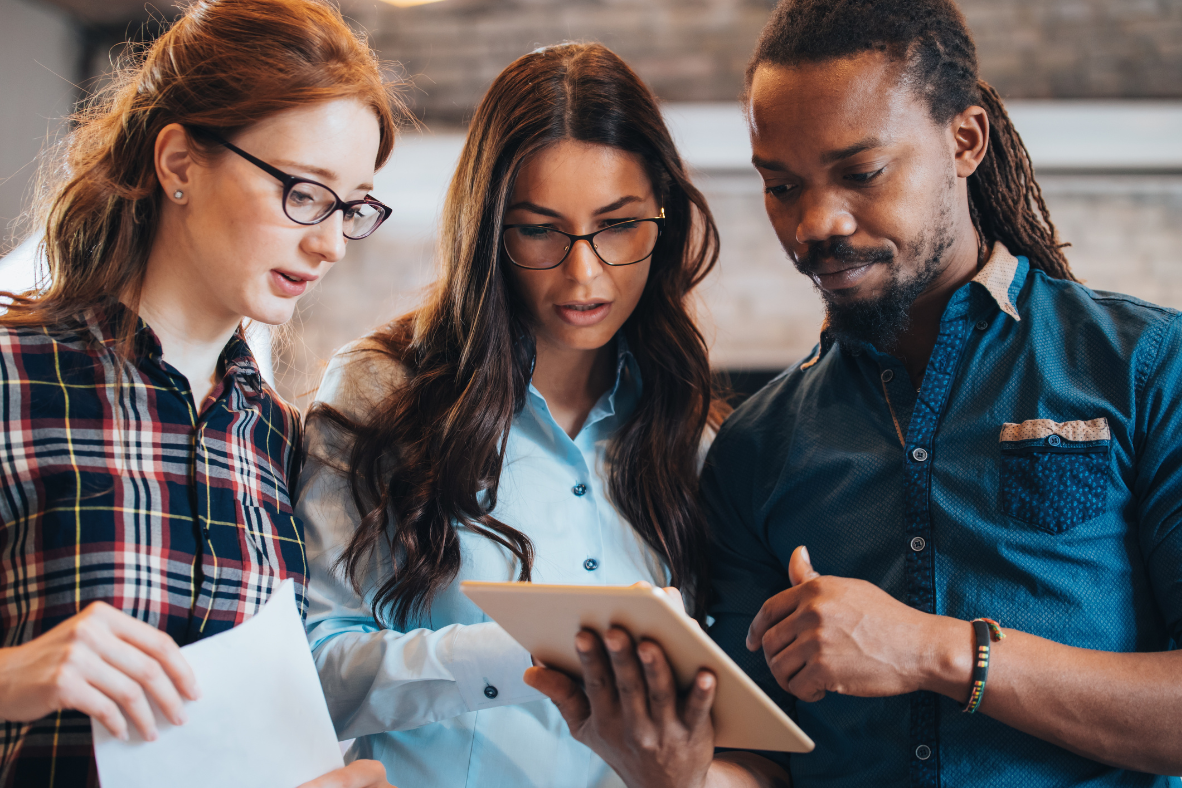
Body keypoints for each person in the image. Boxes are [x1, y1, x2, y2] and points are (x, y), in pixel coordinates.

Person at [527, 0, 1182, 786]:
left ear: (965, 141)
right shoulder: (753, 450)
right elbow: (765, 762)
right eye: (782, 185)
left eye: (861, 173)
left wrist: (934, 651)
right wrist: (676, 772)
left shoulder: (1150, 368)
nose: (814, 222)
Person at [295, 42, 729, 788]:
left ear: (664, 218)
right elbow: (315, 669)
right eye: (539, 230)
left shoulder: (690, 433)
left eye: (619, 225)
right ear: (488, 229)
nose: (583, 273)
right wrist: (522, 648)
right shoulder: (380, 391)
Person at [0, 1, 404, 786]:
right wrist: (13, 677)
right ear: (180, 163)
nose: (328, 244)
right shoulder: (15, 376)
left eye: (351, 207)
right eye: (303, 192)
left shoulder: (285, 441)